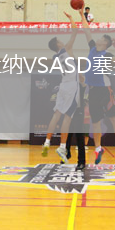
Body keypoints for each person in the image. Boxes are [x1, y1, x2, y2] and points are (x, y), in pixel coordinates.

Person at [79, 6, 115, 164]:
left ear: (105, 43)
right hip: (92, 91)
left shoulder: (107, 54)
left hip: (105, 90)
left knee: (114, 119)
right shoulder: (92, 48)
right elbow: (86, 30)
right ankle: (98, 149)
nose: (98, 39)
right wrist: (81, 15)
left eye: (102, 39)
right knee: (95, 121)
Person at [42, 12, 79, 159]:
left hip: (63, 85)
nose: (62, 41)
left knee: (56, 114)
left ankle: (47, 142)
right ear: (58, 44)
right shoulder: (66, 49)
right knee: (68, 116)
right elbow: (75, 31)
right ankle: (62, 147)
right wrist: (71, 18)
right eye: (60, 40)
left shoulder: (56, 57)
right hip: (71, 86)